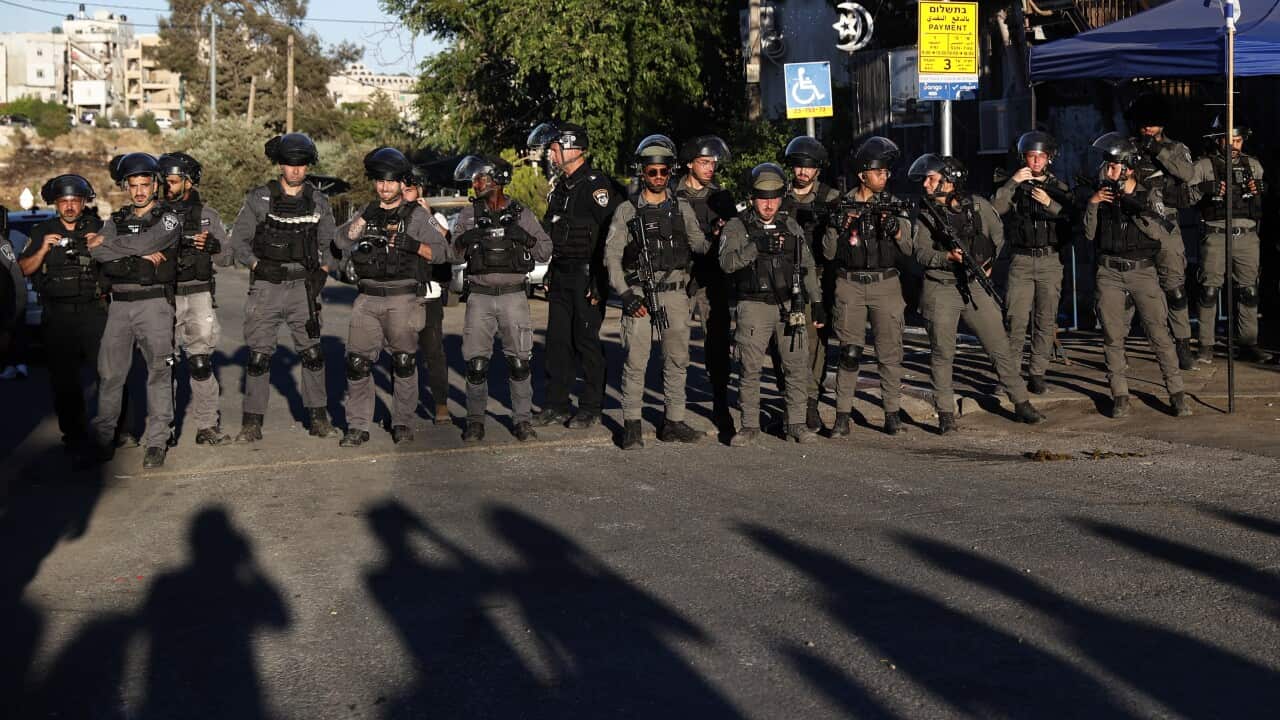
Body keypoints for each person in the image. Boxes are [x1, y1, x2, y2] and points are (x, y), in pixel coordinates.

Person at [908, 153, 1045, 433]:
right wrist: (947, 257)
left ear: (950, 181)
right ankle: (945, 412)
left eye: (932, 179)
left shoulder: (978, 205)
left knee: (999, 346)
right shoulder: (926, 214)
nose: (925, 184)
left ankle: (1020, 402)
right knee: (942, 353)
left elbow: (998, 235)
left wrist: (989, 264)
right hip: (941, 288)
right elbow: (919, 252)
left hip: (974, 285)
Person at [334, 147, 447, 447]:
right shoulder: (367, 211)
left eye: (390, 182)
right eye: (379, 181)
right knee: (357, 363)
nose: (384, 187)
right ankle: (358, 425)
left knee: (404, 362)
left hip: (403, 298)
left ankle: (402, 422)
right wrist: (364, 219)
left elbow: (445, 252)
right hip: (367, 299)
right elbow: (340, 240)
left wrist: (412, 245)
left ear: (401, 183)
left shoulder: (418, 215)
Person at [229, 133, 338, 442]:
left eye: (301, 165)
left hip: (303, 287)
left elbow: (330, 245)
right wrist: (255, 265)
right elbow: (238, 242)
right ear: (280, 164)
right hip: (266, 285)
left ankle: (319, 418)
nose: (295, 171)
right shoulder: (259, 198)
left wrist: (323, 272)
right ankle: (252, 424)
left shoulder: (319, 201)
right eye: (290, 164)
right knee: (259, 356)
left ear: (308, 166)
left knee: (313, 353)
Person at [604, 134, 710, 449]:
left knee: (677, 359)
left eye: (664, 172)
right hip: (639, 294)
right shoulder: (627, 211)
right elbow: (610, 256)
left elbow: (699, 244)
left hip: (677, 293)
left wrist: (725, 236)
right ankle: (632, 425)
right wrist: (625, 294)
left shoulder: (682, 208)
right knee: (637, 360)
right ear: (643, 172)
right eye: (653, 172)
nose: (659, 177)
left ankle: (673, 421)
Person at [1084, 133, 1191, 418]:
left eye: (1114, 166)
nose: (1108, 171)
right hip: (1109, 271)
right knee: (1112, 336)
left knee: (1160, 335)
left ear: (1129, 167)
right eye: (1107, 165)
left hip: (1142, 271)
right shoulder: (1102, 194)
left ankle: (1177, 393)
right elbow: (1088, 233)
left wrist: (1134, 206)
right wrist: (1093, 203)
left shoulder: (1149, 193)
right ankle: (1120, 394)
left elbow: (1159, 233)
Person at [527, 121, 622, 429]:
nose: (551, 155)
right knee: (556, 343)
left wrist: (600, 277)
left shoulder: (596, 186)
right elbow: (557, 235)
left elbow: (614, 233)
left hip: (587, 277)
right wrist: (551, 270)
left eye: (554, 148)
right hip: (562, 275)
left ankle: (591, 407)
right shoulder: (561, 189)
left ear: (571, 149)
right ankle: (555, 404)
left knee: (586, 342)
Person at [451, 156, 552, 442]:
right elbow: (451, 253)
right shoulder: (469, 214)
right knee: (476, 365)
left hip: (513, 297)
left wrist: (525, 238)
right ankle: (474, 422)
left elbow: (545, 250)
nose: (475, 183)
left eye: (480, 178)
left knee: (520, 363)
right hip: (479, 298)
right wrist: (468, 237)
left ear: (496, 179)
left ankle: (522, 421)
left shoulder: (521, 213)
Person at [89, 153, 181, 468]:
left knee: (159, 372)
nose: (139, 191)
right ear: (126, 187)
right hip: (118, 306)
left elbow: (148, 242)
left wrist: (118, 250)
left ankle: (157, 440)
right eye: (133, 185)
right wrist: (136, 254)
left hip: (153, 303)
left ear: (155, 184)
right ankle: (103, 438)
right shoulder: (115, 220)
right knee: (110, 375)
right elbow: (98, 252)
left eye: (145, 184)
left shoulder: (168, 218)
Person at [720, 163, 822, 445]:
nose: (769, 204)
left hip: (790, 304)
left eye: (774, 198)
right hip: (753, 305)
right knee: (750, 368)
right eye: (763, 198)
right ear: (752, 198)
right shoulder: (737, 225)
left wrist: (817, 300)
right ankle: (749, 425)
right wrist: (756, 247)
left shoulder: (790, 224)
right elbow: (726, 263)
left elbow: (808, 265)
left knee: (796, 365)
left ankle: (796, 423)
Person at [824, 137, 912, 436]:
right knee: (849, 353)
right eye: (879, 172)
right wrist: (837, 224)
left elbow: (910, 248)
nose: (884, 177)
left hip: (885, 284)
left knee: (889, 353)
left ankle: (891, 413)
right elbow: (826, 252)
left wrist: (896, 228)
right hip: (850, 284)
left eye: (887, 172)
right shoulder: (841, 204)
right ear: (863, 175)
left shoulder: (893, 204)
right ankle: (842, 415)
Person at [16, 175, 108, 452]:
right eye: (64, 201)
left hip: (94, 313)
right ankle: (74, 434)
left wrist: (103, 245)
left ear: (83, 203)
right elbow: (23, 269)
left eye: (74, 201)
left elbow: (118, 264)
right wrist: (43, 248)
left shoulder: (98, 227)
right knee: (64, 382)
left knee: (109, 375)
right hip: (58, 317)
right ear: (56, 204)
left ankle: (115, 430)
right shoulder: (42, 230)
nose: (69, 206)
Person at [159, 152, 232, 445]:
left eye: (173, 181)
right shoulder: (153, 213)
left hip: (198, 294)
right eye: (164, 181)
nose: (167, 186)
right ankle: (162, 429)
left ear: (188, 182)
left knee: (200, 363)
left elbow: (227, 256)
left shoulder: (208, 215)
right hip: (163, 295)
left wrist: (213, 244)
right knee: (163, 365)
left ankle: (207, 426)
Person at [991, 131, 1072, 395]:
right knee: (1015, 318)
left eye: (1040, 157)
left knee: (1045, 319)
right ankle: (1010, 376)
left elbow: (1072, 218)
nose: (1035, 161)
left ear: (1049, 159)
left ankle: (1037, 371)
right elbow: (995, 209)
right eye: (1030, 156)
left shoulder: (1059, 187)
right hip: (1021, 261)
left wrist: (1050, 204)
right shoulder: (1012, 184)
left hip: (1050, 259)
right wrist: (1013, 182)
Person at [1190, 117, 1270, 363]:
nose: (1234, 145)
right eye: (1229, 139)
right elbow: (1187, 198)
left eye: (1238, 140)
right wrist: (1207, 188)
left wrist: (1260, 189)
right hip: (1215, 234)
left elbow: (1260, 201)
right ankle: (1206, 344)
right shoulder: (1203, 165)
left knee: (1249, 291)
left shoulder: (1253, 164)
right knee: (1209, 291)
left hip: (1246, 235)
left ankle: (1247, 343)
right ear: (1218, 140)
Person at [1128, 93, 1198, 370]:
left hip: (1166, 225)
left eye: (1153, 124)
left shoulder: (1176, 147)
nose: (1147, 128)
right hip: (1135, 223)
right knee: (1133, 288)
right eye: (1144, 124)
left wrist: (1157, 150)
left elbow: (1187, 174)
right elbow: (1105, 173)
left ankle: (1182, 343)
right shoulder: (1128, 147)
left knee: (1175, 288)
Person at [779, 135, 842, 431]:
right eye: (798, 166)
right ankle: (789, 399)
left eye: (809, 167)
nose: (803, 172)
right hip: (782, 277)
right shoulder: (779, 195)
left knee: (816, 344)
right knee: (783, 341)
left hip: (817, 277)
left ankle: (811, 402)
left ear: (818, 169)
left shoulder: (830, 198)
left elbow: (833, 250)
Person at [675, 135, 736, 429]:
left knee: (717, 343)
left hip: (712, 278)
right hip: (681, 275)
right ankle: (673, 409)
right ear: (689, 163)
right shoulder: (673, 196)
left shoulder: (721, 197)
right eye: (703, 162)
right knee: (675, 345)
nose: (710, 167)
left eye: (713, 162)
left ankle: (721, 403)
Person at [402, 165, 453, 424]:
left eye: (409, 189)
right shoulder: (393, 216)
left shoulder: (435, 218)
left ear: (420, 191)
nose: (403, 194)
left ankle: (441, 405)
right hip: (400, 296)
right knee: (402, 355)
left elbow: (448, 242)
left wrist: (428, 215)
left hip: (429, 295)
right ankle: (403, 411)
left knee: (434, 352)